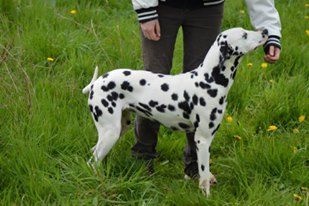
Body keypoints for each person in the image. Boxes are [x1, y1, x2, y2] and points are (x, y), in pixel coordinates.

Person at [131, 0, 282, 177]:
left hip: (207, 11)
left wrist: (269, 31)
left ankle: (195, 165)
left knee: (203, 89)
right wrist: (146, 9)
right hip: (161, 7)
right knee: (151, 83)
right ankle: (143, 156)